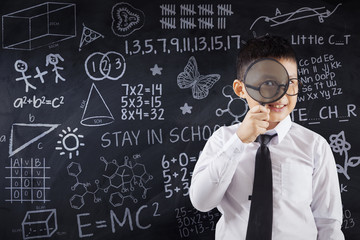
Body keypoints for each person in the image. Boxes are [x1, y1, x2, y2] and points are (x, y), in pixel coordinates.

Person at [189, 35, 344, 240]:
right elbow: (201, 202)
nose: (281, 95)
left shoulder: (315, 145)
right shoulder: (222, 140)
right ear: (240, 89)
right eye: (268, 83)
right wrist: (239, 141)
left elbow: (328, 222)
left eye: (290, 83)